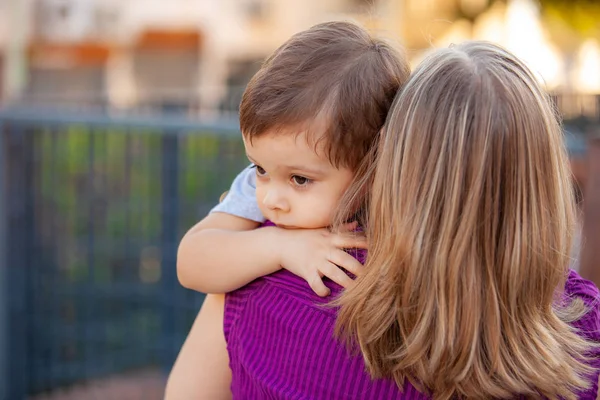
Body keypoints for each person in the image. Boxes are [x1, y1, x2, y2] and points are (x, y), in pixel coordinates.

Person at [222, 42, 600, 399]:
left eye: (299, 179)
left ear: (385, 151)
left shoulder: (262, 270)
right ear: (544, 176)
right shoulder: (583, 331)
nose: (271, 195)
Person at [164, 21, 410, 399]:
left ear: (371, 168)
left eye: (299, 180)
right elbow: (191, 261)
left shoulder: (396, 210)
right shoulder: (256, 191)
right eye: (260, 167)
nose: (273, 198)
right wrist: (280, 246)